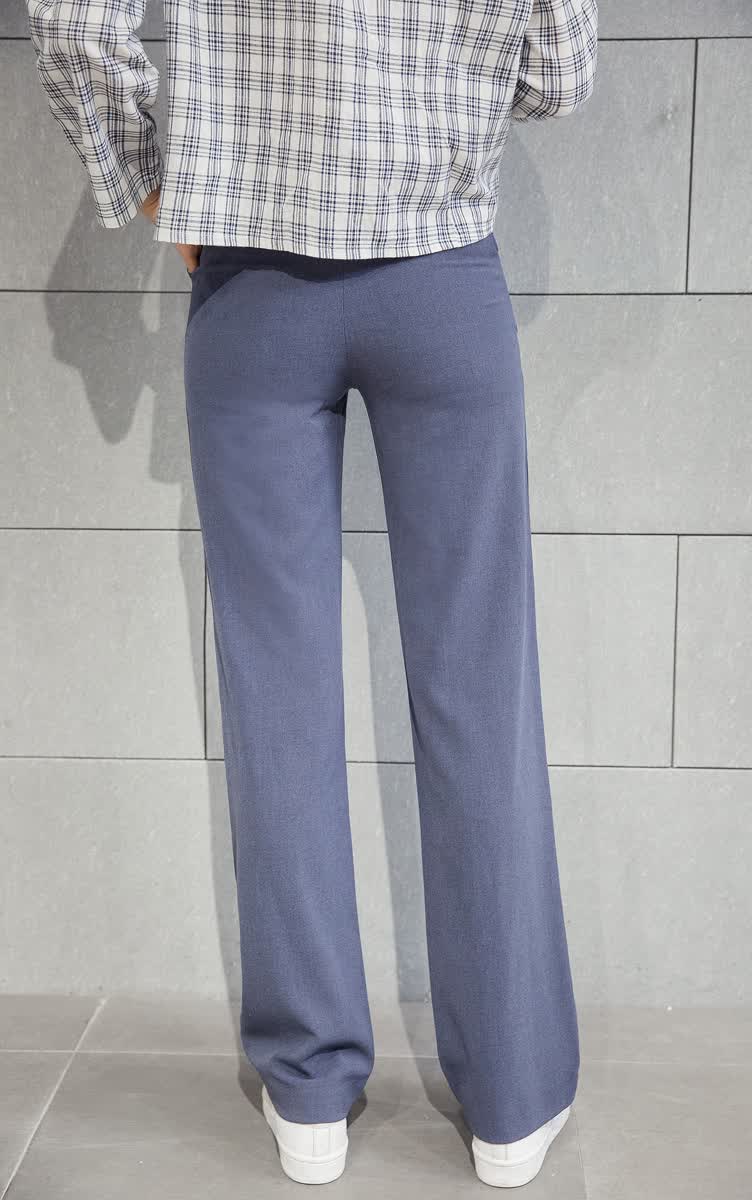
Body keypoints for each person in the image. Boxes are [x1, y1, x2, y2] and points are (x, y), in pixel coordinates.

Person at [27, 0, 598, 1187]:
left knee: (276, 695)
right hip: (440, 277)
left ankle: (308, 1095)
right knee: (478, 687)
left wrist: (151, 182)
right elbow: (558, 72)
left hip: (251, 288)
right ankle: (508, 1101)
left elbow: (76, 18)